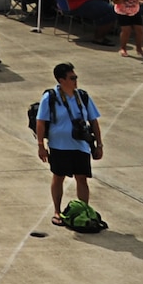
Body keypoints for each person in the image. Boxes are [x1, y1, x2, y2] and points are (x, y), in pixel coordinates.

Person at [35, 63, 102, 227]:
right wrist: (41, 145)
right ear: (61, 80)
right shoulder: (50, 97)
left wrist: (99, 144)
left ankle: (84, 210)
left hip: (81, 146)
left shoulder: (83, 96)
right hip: (59, 146)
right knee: (58, 177)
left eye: (75, 77)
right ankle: (57, 212)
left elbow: (93, 121)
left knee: (82, 178)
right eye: (72, 78)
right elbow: (41, 122)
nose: (75, 81)